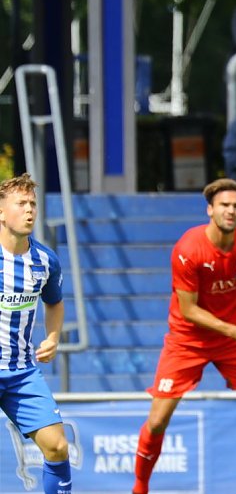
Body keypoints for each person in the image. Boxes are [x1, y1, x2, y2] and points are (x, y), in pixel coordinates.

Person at [133, 179, 236, 494]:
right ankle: (140, 488)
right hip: (187, 340)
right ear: (210, 210)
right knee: (156, 422)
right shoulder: (188, 249)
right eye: (224, 205)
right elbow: (189, 310)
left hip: (232, 342)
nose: (231, 211)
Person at [0, 174, 73, 494]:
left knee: (57, 447)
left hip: (21, 372)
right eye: (21, 204)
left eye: (33, 204)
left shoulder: (45, 260)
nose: (29, 210)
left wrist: (53, 337)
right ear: (2, 212)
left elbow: (54, 304)